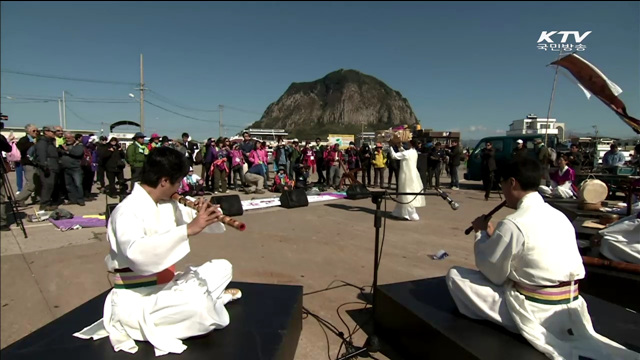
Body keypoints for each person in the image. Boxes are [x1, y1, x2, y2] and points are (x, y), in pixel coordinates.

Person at [446, 157, 638, 360]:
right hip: (572, 306)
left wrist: (482, 234)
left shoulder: (512, 223)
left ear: (512, 183)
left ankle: (520, 325)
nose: (502, 191)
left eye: (502, 184)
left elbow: (492, 273)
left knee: (456, 276)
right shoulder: (559, 215)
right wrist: (496, 239)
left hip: (536, 309)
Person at [73, 146, 241, 356]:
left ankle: (208, 298)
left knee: (223, 267)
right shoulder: (127, 211)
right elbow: (138, 255)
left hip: (167, 285)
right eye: (178, 182)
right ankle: (214, 299)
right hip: (137, 298)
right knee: (198, 310)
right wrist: (188, 230)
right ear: (164, 181)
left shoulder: (166, 202)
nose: (180, 187)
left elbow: (199, 221)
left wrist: (206, 211)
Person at [388, 140, 426, 221]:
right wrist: (399, 147)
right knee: (408, 192)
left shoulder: (407, 153)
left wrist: (391, 147)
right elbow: (404, 152)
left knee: (406, 193)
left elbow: (394, 156)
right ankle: (399, 212)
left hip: (406, 174)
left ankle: (409, 214)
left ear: (411, 145)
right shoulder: (413, 152)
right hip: (413, 174)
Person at [33, 126, 60, 211]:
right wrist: (44, 166)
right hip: (48, 166)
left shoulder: (50, 142)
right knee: (47, 186)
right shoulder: (42, 142)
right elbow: (41, 155)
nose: (54, 134)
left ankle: (47, 203)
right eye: (53, 132)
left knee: (50, 186)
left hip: (53, 166)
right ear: (46, 132)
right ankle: (44, 205)